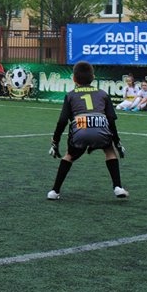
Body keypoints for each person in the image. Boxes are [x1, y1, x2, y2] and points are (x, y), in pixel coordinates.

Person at [47, 60, 127, 200]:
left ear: (73, 78)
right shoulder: (102, 94)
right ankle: (117, 187)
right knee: (109, 151)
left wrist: (55, 141)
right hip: (100, 125)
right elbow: (111, 120)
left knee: (69, 156)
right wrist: (118, 142)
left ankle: (54, 191)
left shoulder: (71, 95)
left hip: (81, 125)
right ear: (93, 78)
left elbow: (62, 121)